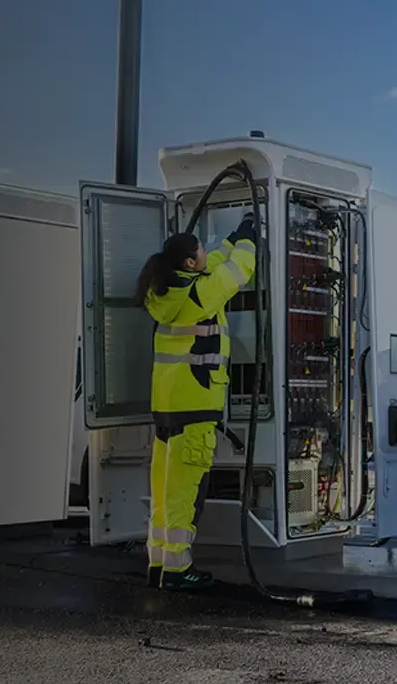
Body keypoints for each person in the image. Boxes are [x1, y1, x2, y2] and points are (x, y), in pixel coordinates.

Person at [133, 212, 258, 592]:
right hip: (196, 405)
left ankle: (159, 564)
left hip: (168, 405)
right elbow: (240, 271)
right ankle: (177, 570)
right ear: (190, 262)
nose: (206, 252)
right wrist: (250, 241)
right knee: (186, 495)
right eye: (201, 250)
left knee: (164, 490)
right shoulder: (200, 294)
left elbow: (217, 264)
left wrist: (234, 236)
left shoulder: (166, 291)